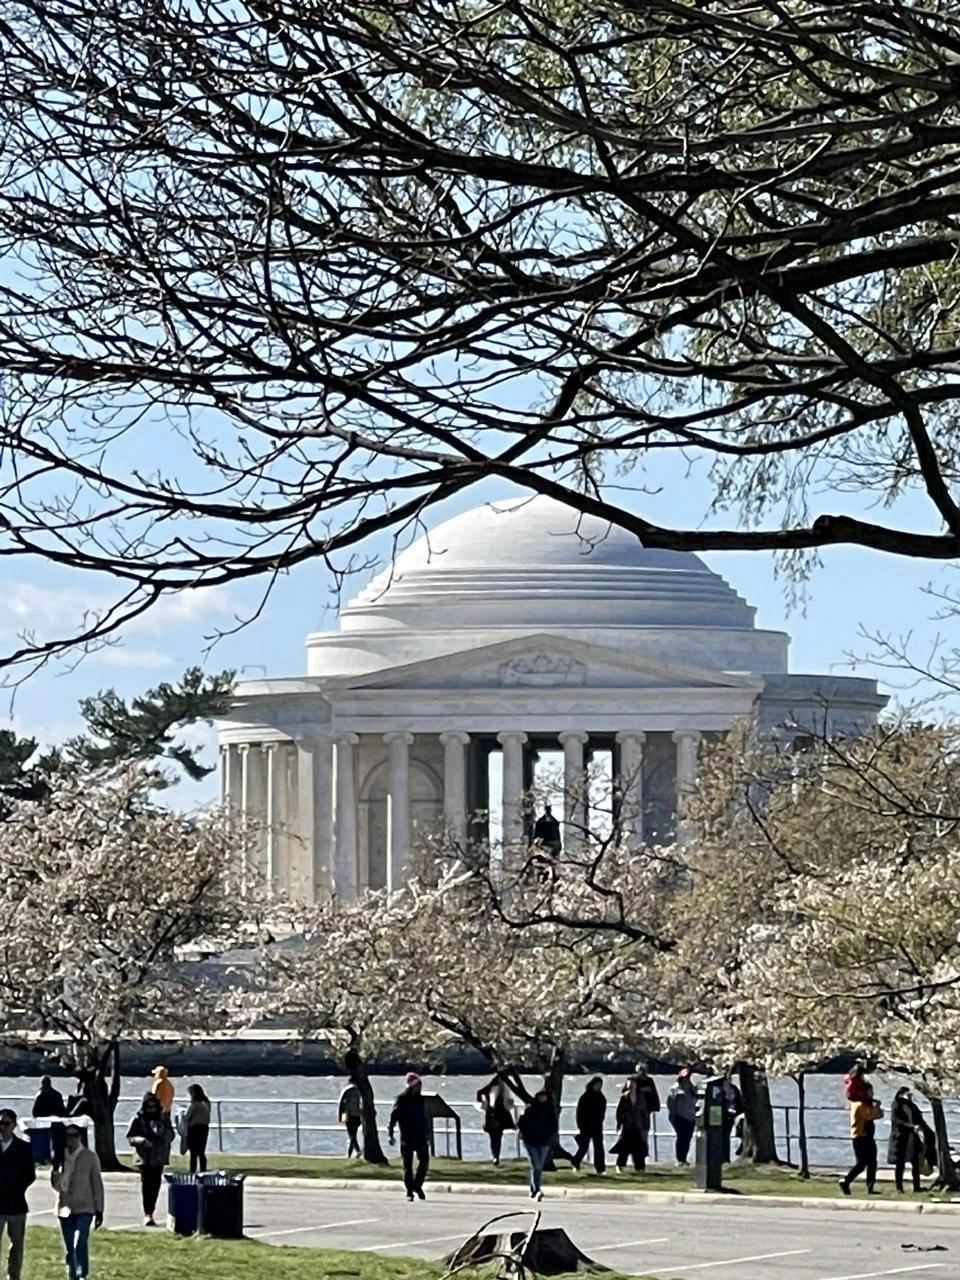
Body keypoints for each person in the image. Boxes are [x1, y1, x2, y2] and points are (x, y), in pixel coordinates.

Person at [52, 1122, 104, 1280]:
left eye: (75, 1135)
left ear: (80, 1137)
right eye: (68, 1136)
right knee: (69, 1247)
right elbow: (56, 1186)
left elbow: (97, 1184)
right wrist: (56, 1169)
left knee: (79, 1240)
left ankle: (82, 1274)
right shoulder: (61, 1157)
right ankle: (72, 1275)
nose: (71, 1139)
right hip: (64, 1208)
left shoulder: (89, 1157)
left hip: (85, 1208)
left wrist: (99, 1210)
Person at [126, 1092, 173, 1226]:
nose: (151, 1110)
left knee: (156, 1185)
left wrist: (162, 1132)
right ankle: (148, 1213)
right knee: (147, 1186)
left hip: (158, 1158)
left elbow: (171, 1136)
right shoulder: (138, 1119)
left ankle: (151, 1211)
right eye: (149, 1107)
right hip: (144, 1158)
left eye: (153, 1107)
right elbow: (130, 1137)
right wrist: (141, 1141)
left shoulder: (163, 1120)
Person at [0, 1108, 36, 1280]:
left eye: (6, 1124)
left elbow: (30, 1175)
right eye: (0, 1124)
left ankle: (13, 1277)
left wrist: (15, 1188)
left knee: (17, 1246)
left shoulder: (23, 1148)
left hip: (16, 1206)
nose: (2, 1127)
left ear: (14, 1125)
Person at [388, 1072, 430, 1202]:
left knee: (424, 1161)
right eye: (418, 1085)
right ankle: (409, 1190)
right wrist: (390, 1133)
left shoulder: (420, 1099)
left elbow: (424, 1118)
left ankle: (417, 1185)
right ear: (413, 1085)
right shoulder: (401, 1099)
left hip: (420, 1135)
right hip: (407, 1136)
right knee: (408, 1165)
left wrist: (427, 1133)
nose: (420, 1088)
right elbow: (393, 1117)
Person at [840, 1083, 882, 1196]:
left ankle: (870, 1187)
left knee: (872, 1162)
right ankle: (846, 1180)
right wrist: (876, 1108)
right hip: (861, 1137)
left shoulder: (866, 1104)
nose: (872, 1094)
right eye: (870, 1092)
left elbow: (878, 1115)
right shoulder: (859, 1104)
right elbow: (869, 1116)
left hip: (869, 1136)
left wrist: (876, 1109)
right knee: (862, 1163)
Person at [888, 1086, 932, 1194]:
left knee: (915, 1162)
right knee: (900, 1163)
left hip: (912, 1137)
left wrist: (927, 1129)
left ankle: (916, 1187)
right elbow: (897, 1121)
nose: (909, 1097)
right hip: (900, 1137)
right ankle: (899, 1187)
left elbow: (919, 1119)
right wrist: (912, 1126)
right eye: (907, 1095)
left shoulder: (911, 1106)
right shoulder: (896, 1105)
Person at [518, 1088, 557, 1201]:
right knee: (537, 1165)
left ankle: (533, 1189)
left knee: (538, 1166)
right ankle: (537, 1190)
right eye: (541, 1096)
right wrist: (523, 1134)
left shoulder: (549, 1110)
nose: (542, 1098)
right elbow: (521, 1123)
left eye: (544, 1096)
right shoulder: (530, 1109)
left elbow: (554, 1125)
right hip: (530, 1141)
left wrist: (550, 1135)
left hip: (544, 1141)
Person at [612, 1076, 649, 1172]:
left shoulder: (641, 1097)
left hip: (638, 1125)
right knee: (624, 1147)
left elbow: (644, 1113)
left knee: (638, 1147)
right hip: (627, 1126)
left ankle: (640, 1167)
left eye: (633, 1083)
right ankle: (620, 1165)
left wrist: (645, 1126)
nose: (631, 1085)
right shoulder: (624, 1098)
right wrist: (619, 1123)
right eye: (629, 1084)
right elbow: (619, 1112)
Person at [476, 1076, 515, 1166]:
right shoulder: (491, 1088)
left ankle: (496, 1155)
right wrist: (483, 1103)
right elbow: (480, 1092)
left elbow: (508, 1100)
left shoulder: (505, 1089)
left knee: (497, 1136)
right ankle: (495, 1155)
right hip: (493, 1114)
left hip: (500, 1114)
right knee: (494, 1136)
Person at [572, 1077, 606, 1174]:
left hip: (597, 1125)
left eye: (600, 1086)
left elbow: (602, 1112)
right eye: (597, 1085)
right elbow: (579, 1113)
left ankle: (600, 1168)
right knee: (584, 1147)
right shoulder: (585, 1097)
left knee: (599, 1147)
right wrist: (580, 1125)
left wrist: (600, 1120)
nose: (599, 1087)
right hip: (585, 1125)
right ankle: (576, 1162)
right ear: (592, 1085)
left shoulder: (601, 1098)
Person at [667, 1068, 698, 1166]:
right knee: (681, 1137)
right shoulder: (675, 1089)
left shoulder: (691, 1089)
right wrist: (673, 1115)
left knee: (687, 1137)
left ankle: (684, 1158)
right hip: (679, 1117)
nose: (687, 1079)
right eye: (685, 1077)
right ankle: (679, 1159)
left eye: (688, 1077)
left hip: (690, 1117)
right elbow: (670, 1103)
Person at [184, 1084, 211, 1175]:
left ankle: (193, 1171)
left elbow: (187, 1117)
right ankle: (203, 1170)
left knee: (193, 1153)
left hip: (194, 1128)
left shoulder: (195, 1104)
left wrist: (182, 1115)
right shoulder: (207, 1103)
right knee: (201, 1152)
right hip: (204, 1128)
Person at [719, 1068, 742, 1162]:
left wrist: (736, 1111)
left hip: (731, 1116)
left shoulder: (734, 1089)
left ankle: (726, 1157)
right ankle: (720, 1157)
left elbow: (739, 1102)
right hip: (721, 1115)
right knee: (720, 1137)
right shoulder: (719, 1089)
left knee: (726, 1136)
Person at [338, 1082, 363, 1159]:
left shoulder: (347, 1090)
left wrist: (340, 1116)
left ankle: (358, 1150)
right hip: (357, 1115)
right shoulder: (361, 1090)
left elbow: (340, 1103)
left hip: (348, 1114)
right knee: (353, 1134)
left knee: (351, 1135)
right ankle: (349, 1155)